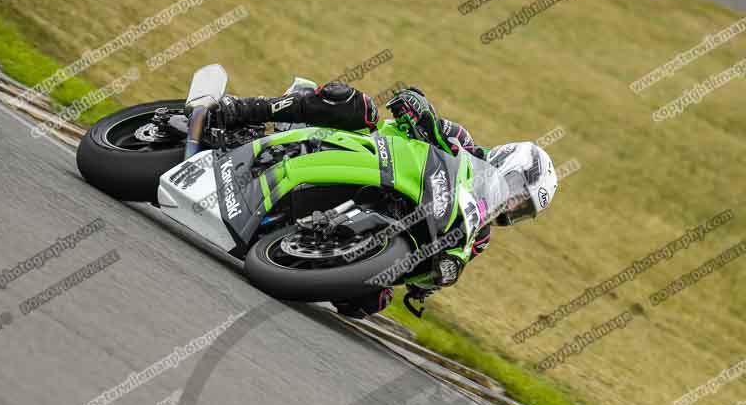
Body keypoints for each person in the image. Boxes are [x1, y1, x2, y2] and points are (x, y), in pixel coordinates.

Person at [192, 82, 558, 317]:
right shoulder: (462, 144)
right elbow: (419, 106)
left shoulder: (477, 236)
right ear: (507, 162)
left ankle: (303, 244)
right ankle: (244, 109)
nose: (512, 206)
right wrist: (417, 107)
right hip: (369, 151)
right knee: (355, 104)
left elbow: (442, 266)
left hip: (394, 216)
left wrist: (427, 282)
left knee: (370, 302)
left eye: (522, 211)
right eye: (517, 195)